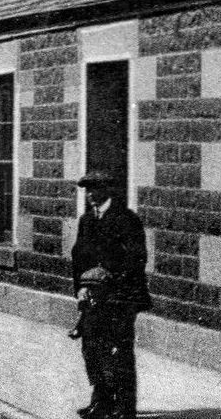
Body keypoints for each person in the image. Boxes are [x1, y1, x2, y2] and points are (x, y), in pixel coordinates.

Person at [71, 171, 152, 419]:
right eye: (88, 190)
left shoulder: (126, 220)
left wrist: (109, 281)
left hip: (121, 296)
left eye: (96, 189)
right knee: (92, 348)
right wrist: (81, 288)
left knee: (119, 350)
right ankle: (101, 402)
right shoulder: (86, 220)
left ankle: (125, 408)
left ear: (108, 190)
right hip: (94, 297)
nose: (91, 195)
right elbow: (78, 257)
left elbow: (137, 259)